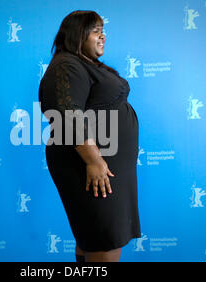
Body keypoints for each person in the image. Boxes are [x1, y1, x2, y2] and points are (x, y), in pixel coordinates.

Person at [39, 10, 141, 262]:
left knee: (94, 236)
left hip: (104, 165)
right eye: (95, 30)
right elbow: (65, 113)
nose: (102, 35)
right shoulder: (66, 65)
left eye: (103, 30)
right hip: (90, 165)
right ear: (77, 34)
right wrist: (94, 161)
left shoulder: (84, 65)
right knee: (103, 236)